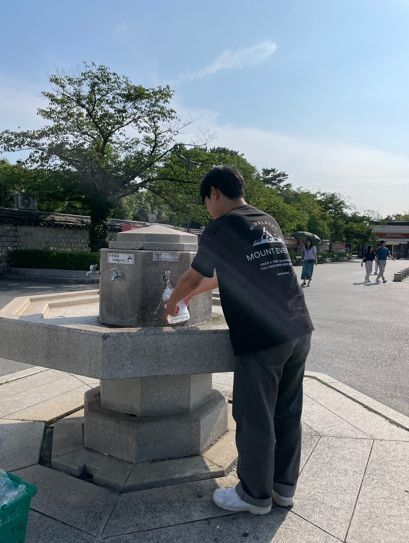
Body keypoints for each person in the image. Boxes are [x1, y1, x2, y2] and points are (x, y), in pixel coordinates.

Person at [164, 166, 314, 515]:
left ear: (214, 193)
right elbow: (225, 275)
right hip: (299, 328)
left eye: (206, 202)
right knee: (287, 412)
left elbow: (194, 275)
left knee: (254, 416)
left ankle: (254, 495)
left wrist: (173, 302)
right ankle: (283, 488)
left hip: (263, 336)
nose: (208, 210)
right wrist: (190, 296)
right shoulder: (267, 221)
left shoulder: (221, 226)